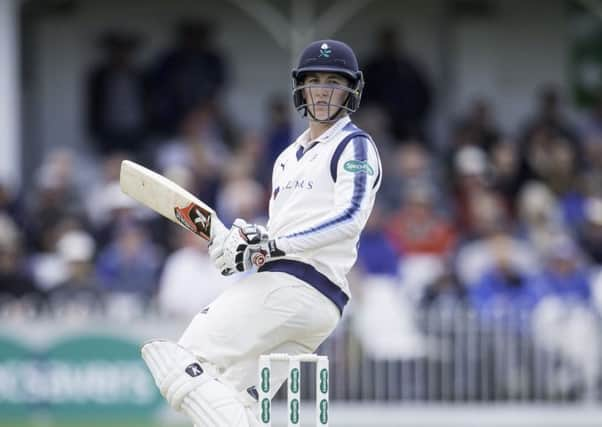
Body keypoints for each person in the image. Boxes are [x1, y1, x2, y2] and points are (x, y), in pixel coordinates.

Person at [140, 40, 382, 426]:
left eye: (334, 81)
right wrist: (243, 247)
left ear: (352, 89)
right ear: (300, 89)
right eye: (314, 80)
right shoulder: (287, 158)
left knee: (180, 360)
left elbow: (350, 217)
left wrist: (271, 244)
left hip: (300, 285)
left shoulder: (353, 146)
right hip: (296, 291)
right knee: (232, 395)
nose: (322, 90)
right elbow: (283, 231)